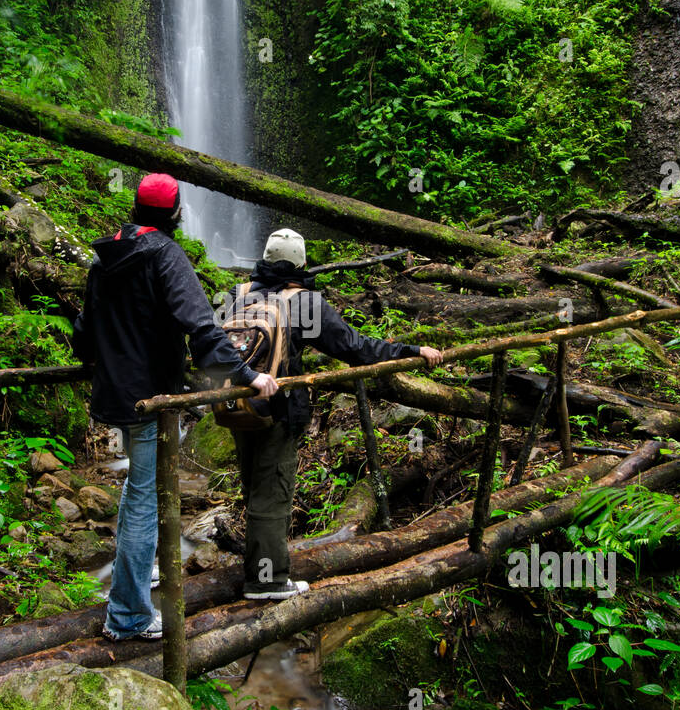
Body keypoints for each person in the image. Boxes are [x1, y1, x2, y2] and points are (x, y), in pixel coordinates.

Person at [72, 173, 278, 640]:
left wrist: (107, 360)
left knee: (136, 490)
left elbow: (84, 333)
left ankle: (132, 580)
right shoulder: (165, 254)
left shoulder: (105, 259)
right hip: (150, 400)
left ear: (135, 208)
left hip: (114, 397)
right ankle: (128, 616)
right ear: (175, 213)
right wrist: (247, 376)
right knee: (144, 498)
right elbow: (202, 329)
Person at [230, 227, 443, 602]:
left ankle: (257, 564)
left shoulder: (240, 295)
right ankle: (266, 582)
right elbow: (355, 348)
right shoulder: (303, 302)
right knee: (273, 492)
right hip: (278, 410)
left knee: (254, 487)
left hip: (238, 406)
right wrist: (410, 350)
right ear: (302, 262)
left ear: (263, 258)